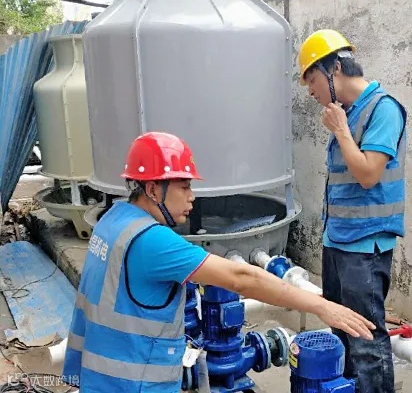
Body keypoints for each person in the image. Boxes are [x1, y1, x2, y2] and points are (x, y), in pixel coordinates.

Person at [61, 131, 376, 392]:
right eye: (184, 186)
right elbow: (242, 278)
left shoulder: (113, 220)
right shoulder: (151, 242)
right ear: (153, 189)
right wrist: (321, 306)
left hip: (99, 378)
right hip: (136, 383)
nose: (192, 196)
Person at [297, 29, 407, 393]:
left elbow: (368, 174)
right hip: (338, 239)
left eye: (312, 79)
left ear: (335, 69)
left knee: (366, 340)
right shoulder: (347, 113)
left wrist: (342, 132)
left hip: (364, 245)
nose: (310, 91)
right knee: (342, 328)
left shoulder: (383, 109)